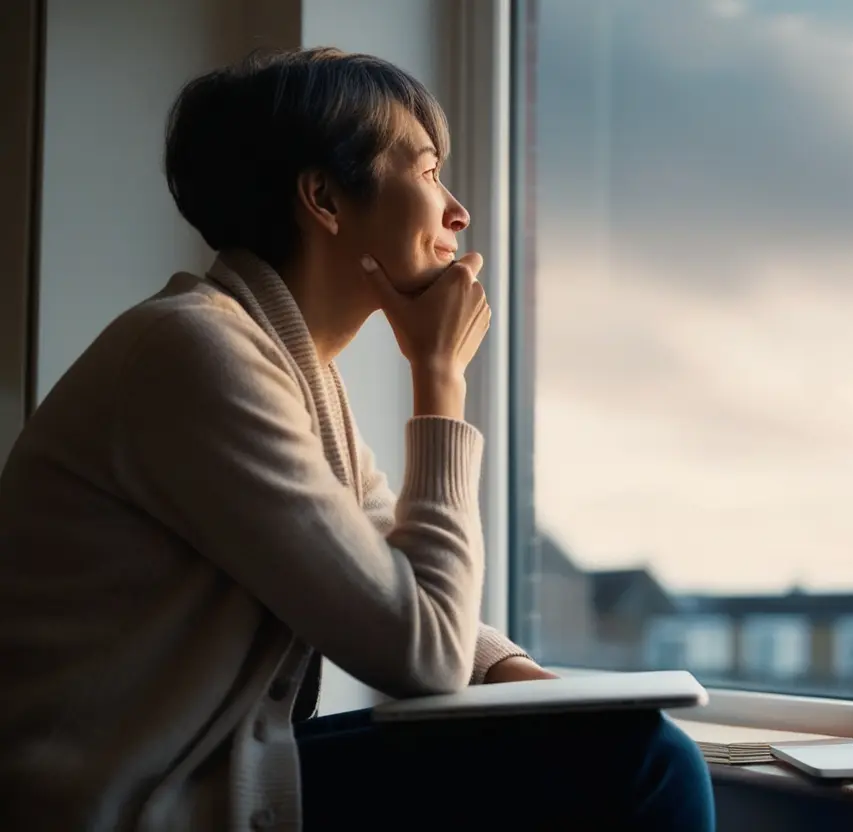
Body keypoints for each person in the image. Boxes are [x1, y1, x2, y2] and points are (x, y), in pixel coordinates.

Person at [0, 47, 715, 831]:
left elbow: (386, 567)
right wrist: (438, 373)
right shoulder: (194, 354)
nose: (457, 210)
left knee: (617, 744)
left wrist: (517, 674)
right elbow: (422, 655)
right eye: (428, 170)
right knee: (643, 766)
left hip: (217, 778)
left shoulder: (284, 369)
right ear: (323, 197)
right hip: (139, 807)